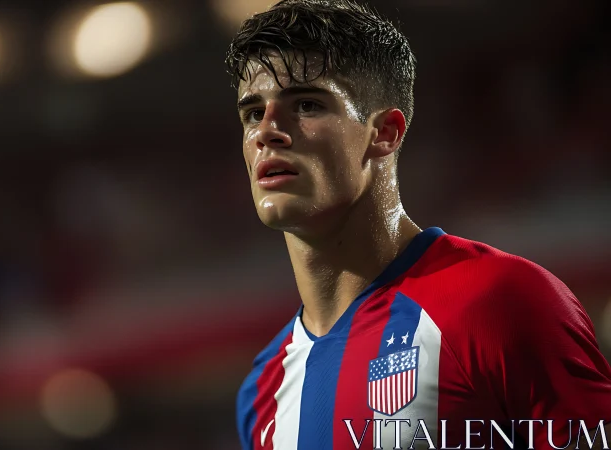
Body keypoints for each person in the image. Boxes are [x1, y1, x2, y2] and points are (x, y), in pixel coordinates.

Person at [225, 1, 611, 449]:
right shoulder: (261, 394)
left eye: (307, 104)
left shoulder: (501, 302)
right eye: (253, 113)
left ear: (385, 132)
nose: (266, 131)